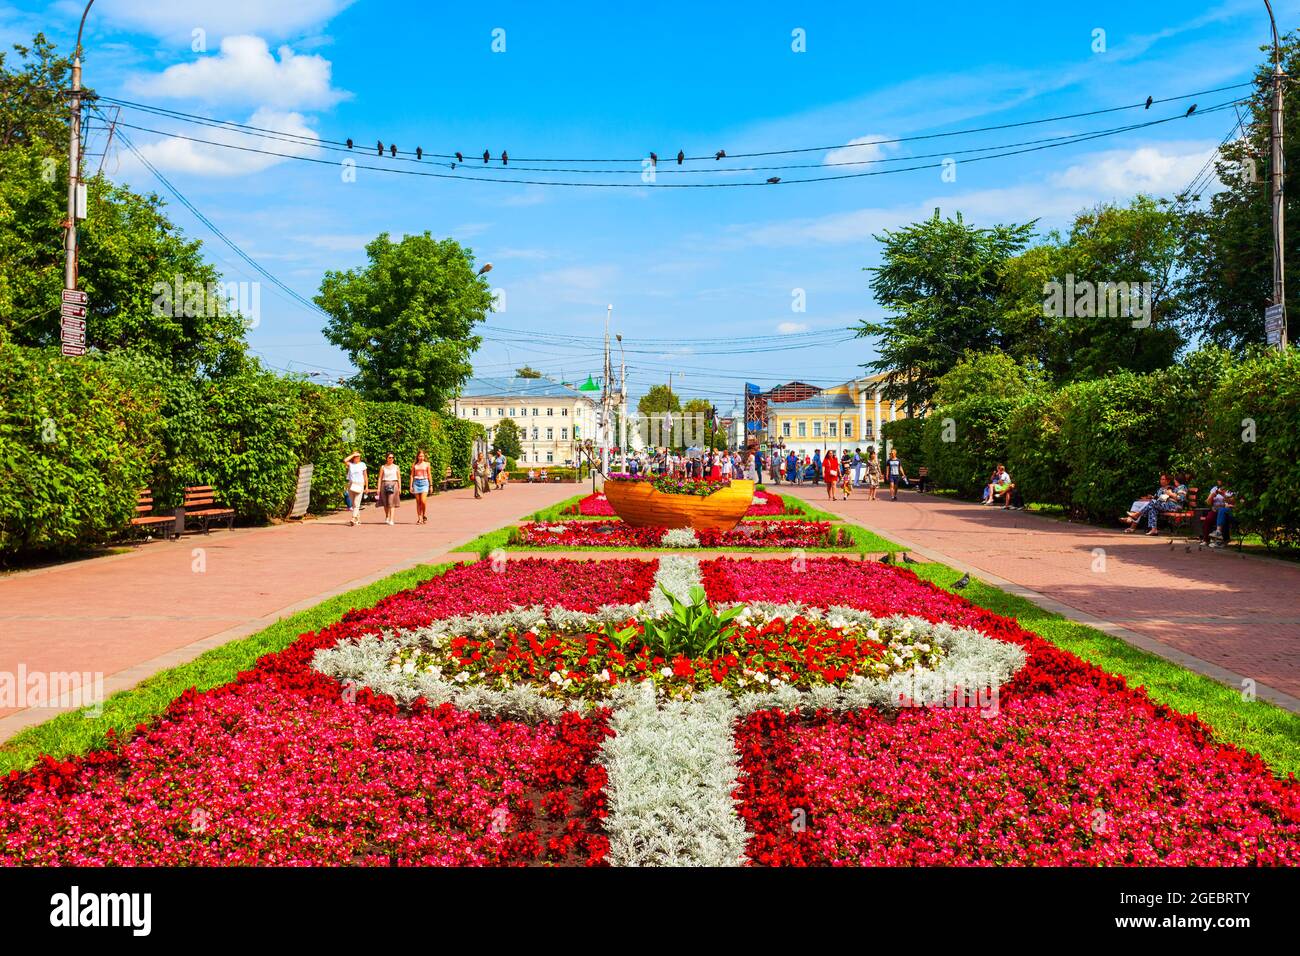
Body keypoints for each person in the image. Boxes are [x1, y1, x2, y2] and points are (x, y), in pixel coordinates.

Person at [344, 451, 368, 526]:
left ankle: (353, 518)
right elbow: (345, 460)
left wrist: (366, 486)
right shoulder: (350, 465)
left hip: (360, 484)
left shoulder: (362, 464)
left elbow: (365, 476)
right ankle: (358, 519)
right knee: (354, 503)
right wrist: (353, 454)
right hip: (351, 485)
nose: (358, 457)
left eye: (358, 456)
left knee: (357, 503)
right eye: (356, 456)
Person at [377, 453, 401, 525]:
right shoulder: (383, 467)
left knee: (391, 502)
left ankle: (391, 519)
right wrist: (378, 488)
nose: (391, 459)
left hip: (394, 484)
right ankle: (387, 516)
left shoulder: (396, 467)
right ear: (386, 458)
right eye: (390, 457)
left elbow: (399, 477)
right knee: (385, 503)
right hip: (384, 484)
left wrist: (400, 487)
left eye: (392, 457)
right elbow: (380, 478)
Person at [410, 449, 432, 525]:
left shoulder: (427, 464)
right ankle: (419, 518)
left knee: (423, 501)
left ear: (424, 456)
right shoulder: (414, 465)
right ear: (417, 456)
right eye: (420, 456)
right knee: (418, 502)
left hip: (424, 482)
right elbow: (412, 475)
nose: (421, 457)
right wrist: (411, 486)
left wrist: (431, 485)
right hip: (416, 482)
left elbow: (429, 474)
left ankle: (424, 514)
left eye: (422, 456)